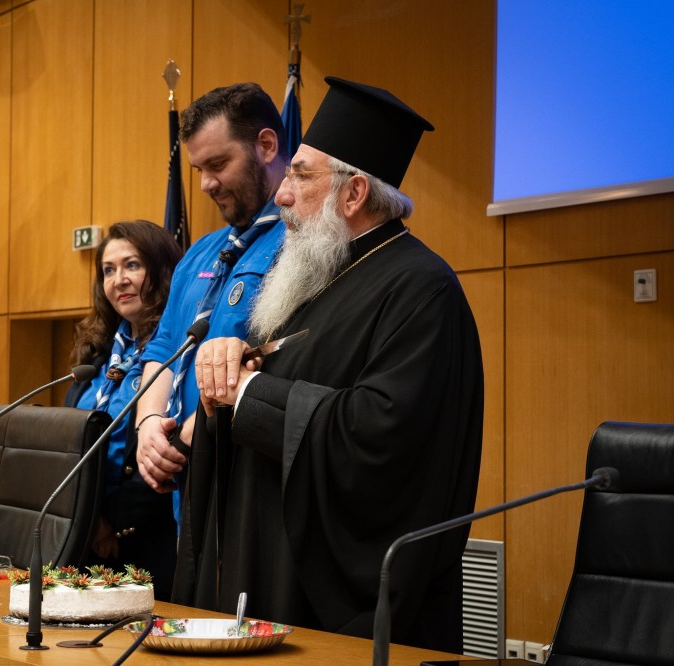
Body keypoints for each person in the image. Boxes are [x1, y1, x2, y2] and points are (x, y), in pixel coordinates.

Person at [144, 77, 485, 653]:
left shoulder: (423, 290)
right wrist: (228, 363)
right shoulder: (311, 278)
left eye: (301, 176)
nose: (281, 193)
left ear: (353, 194)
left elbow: (381, 435)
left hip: (346, 606)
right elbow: (277, 375)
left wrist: (247, 394)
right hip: (266, 578)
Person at [135, 82, 289, 497]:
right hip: (186, 485)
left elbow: (277, 360)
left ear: (267, 146)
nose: (205, 184)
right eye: (199, 169)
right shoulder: (200, 252)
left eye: (218, 164)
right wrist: (148, 424)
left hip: (245, 482)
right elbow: (165, 345)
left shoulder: (303, 245)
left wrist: (187, 438)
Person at [64, 221, 182, 598]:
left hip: (147, 540)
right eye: (108, 270)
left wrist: (112, 523)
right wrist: (87, 521)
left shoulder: (179, 351)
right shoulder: (96, 354)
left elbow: (170, 447)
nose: (119, 280)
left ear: (162, 270)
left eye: (132, 265)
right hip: (83, 535)